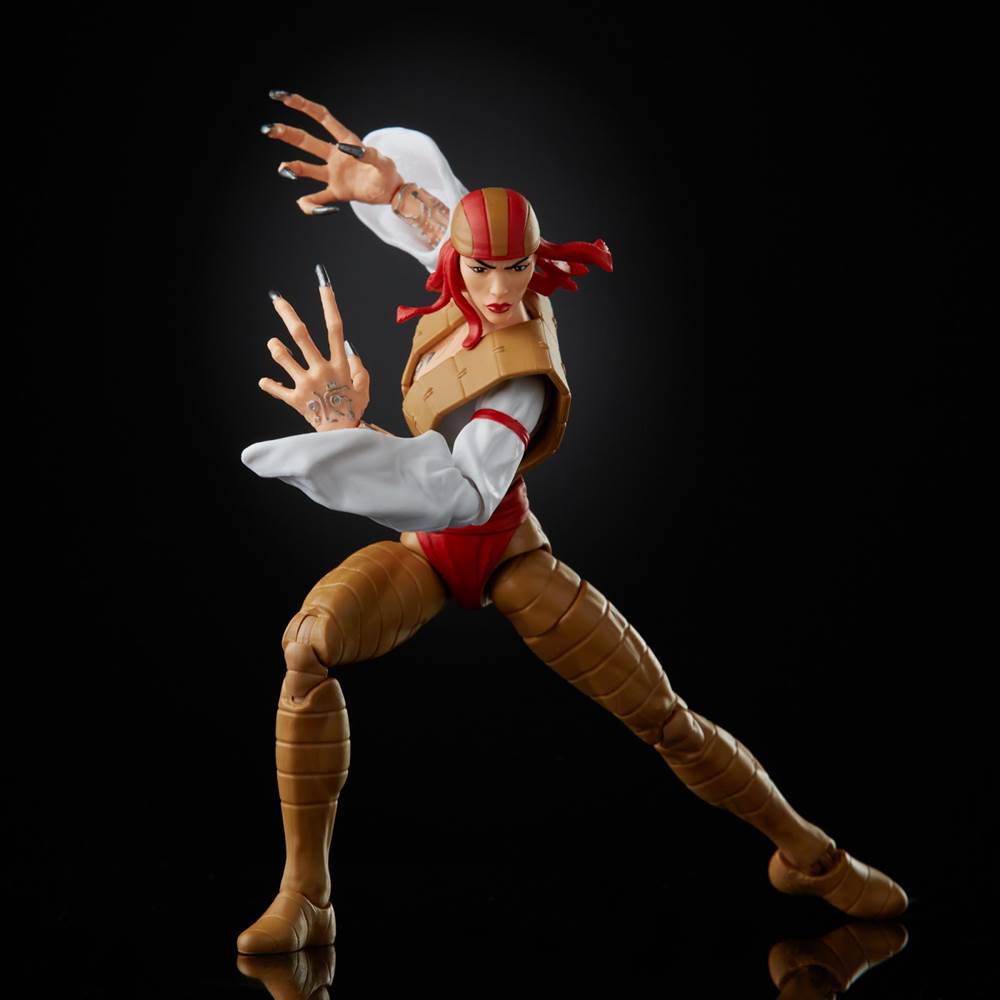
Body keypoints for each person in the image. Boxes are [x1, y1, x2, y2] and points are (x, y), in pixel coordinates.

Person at [236, 92, 908, 955]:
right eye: (484, 270)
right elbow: (448, 231)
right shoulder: (464, 274)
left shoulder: (521, 372)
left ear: (536, 263)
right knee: (306, 648)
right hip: (425, 557)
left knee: (664, 718)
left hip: (508, 553)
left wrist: (343, 438)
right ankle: (307, 895)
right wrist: (391, 189)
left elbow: (463, 492)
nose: (500, 291)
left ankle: (810, 854)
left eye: (517, 270)